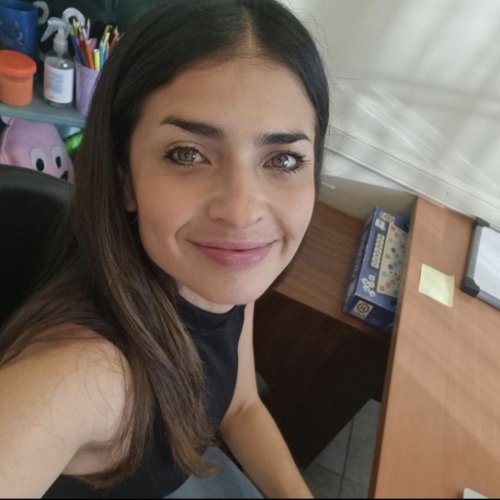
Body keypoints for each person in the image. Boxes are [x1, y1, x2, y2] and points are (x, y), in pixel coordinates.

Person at [0, 0, 330, 497]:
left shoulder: (223, 277)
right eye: (187, 154)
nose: (242, 213)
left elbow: (241, 405)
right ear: (124, 179)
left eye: (283, 159)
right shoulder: (86, 376)